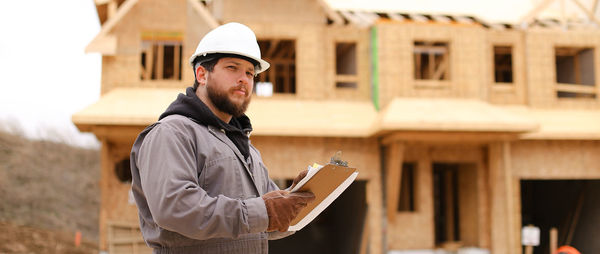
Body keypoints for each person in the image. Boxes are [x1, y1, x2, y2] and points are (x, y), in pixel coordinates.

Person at [129, 22, 315, 254]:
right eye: (232, 68)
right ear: (202, 74)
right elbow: (175, 208)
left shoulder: (246, 149)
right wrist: (263, 212)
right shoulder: (172, 133)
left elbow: (269, 223)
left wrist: (294, 199)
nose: (243, 79)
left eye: (249, 73)